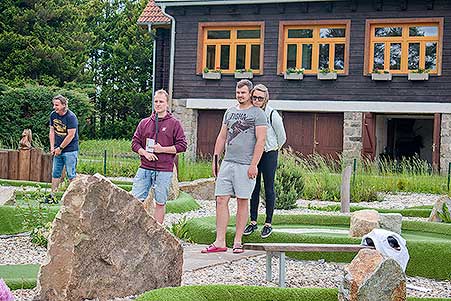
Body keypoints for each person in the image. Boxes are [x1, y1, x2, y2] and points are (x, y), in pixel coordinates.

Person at [202, 79, 267, 254]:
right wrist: (216, 161)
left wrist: (254, 164)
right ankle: (219, 241)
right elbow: (222, 137)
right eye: (238, 92)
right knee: (221, 199)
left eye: (243, 93)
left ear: (249, 93)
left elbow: (261, 141)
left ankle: (237, 241)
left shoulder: (258, 114)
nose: (240, 95)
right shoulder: (229, 112)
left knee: (242, 201)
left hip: (245, 165)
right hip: (227, 163)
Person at [131, 89, 187, 224]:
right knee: (135, 199)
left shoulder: (174, 123)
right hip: (144, 168)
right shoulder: (144, 123)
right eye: (156, 101)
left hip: (164, 170)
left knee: (160, 202)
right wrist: (144, 153)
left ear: (167, 104)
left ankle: (158, 230)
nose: (158, 104)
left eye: (161, 101)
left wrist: (162, 150)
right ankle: (134, 227)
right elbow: (135, 143)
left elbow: (182, 146)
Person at [244, 84, 286, 238]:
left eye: (260, 98)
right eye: (254, 97)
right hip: (253, 154)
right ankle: (253, 222)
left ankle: (268, 223)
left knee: (269, 187)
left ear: (265, 98)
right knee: (253, 187)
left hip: (269, 153)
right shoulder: (249, 113)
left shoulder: (272, 114)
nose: (256, 100)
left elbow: (282, 136)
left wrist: (273, 148)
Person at [49, 94, 79, 202]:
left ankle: (74, 199)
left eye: (56, 105)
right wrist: (53, 147)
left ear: (64, 105)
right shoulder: (53, 115)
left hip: (70, 150)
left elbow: (71, 135)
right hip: (57, 150)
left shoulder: (71, 117)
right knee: (55, 173)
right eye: (54, 104)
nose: (54, 107)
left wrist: (60, 148)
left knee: (71, 174)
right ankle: (53, 196)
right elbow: (52, 131)